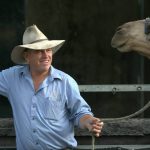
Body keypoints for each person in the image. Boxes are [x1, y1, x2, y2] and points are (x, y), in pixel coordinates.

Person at [0, 25, 103, 150]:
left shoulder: (66, 82)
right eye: (39, 51)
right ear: (27, 56)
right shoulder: (11, 78)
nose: (46, 55)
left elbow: (80, 113)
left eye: (48, 50)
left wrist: (89, 122)